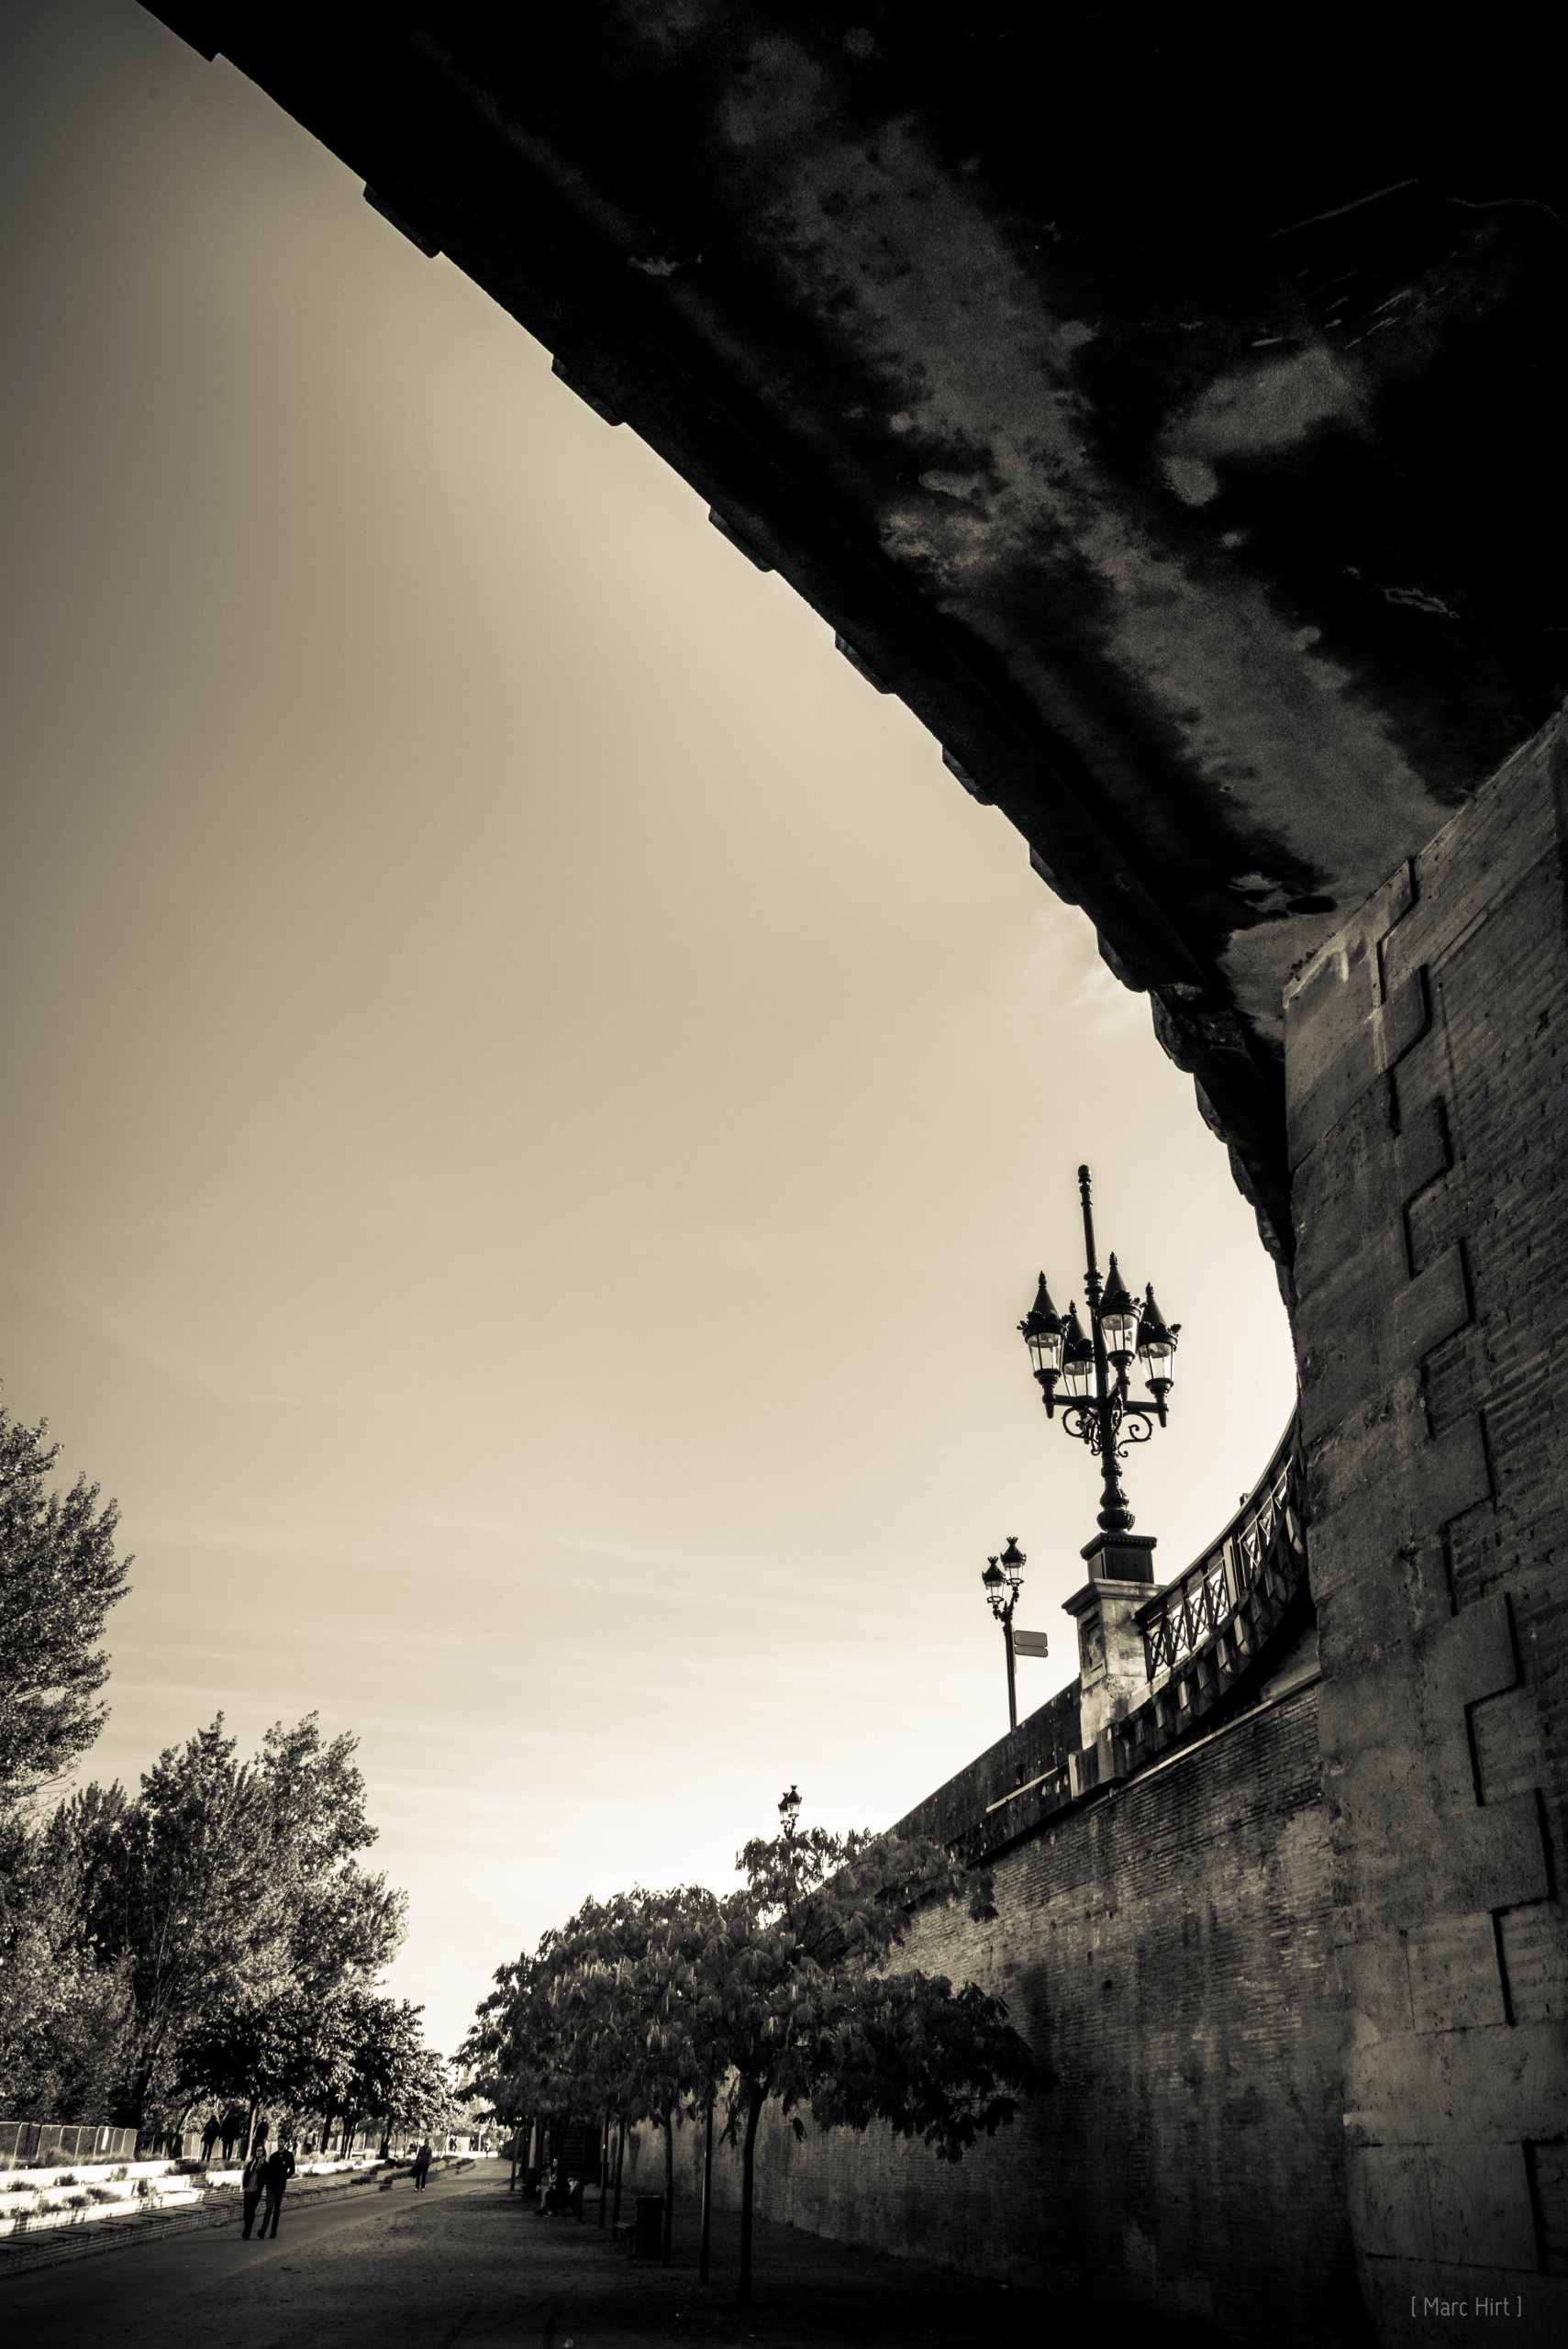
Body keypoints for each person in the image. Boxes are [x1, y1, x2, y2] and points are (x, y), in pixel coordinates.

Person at [260, 2139, 295, 2238]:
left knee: (277, 2210)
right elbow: (269, 2171)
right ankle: (263, 2230)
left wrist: (285, 2177)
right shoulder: (273, 2156)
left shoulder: (289, 2155)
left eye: (282, 2142)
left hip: (280, 2187)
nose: (280, 2143)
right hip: (271, 2186)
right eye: (279, 2141)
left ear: (285, 2143)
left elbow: (292, 2170)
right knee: (268, 2208)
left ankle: (273, 2231)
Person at [240, 2139, 268, 2240]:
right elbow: (246, 2174)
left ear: (263, 2152)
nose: (259, 2152)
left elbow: (266, 2177)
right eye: (257, 2151)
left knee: (251, 2211)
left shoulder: (265, 2164)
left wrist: (261, 2185)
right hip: (248, 2190)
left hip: (256, 2191)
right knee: (245, 2212)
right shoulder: (252, 2162)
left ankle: (247, 2232)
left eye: (260, 2151)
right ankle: (246, 2228)